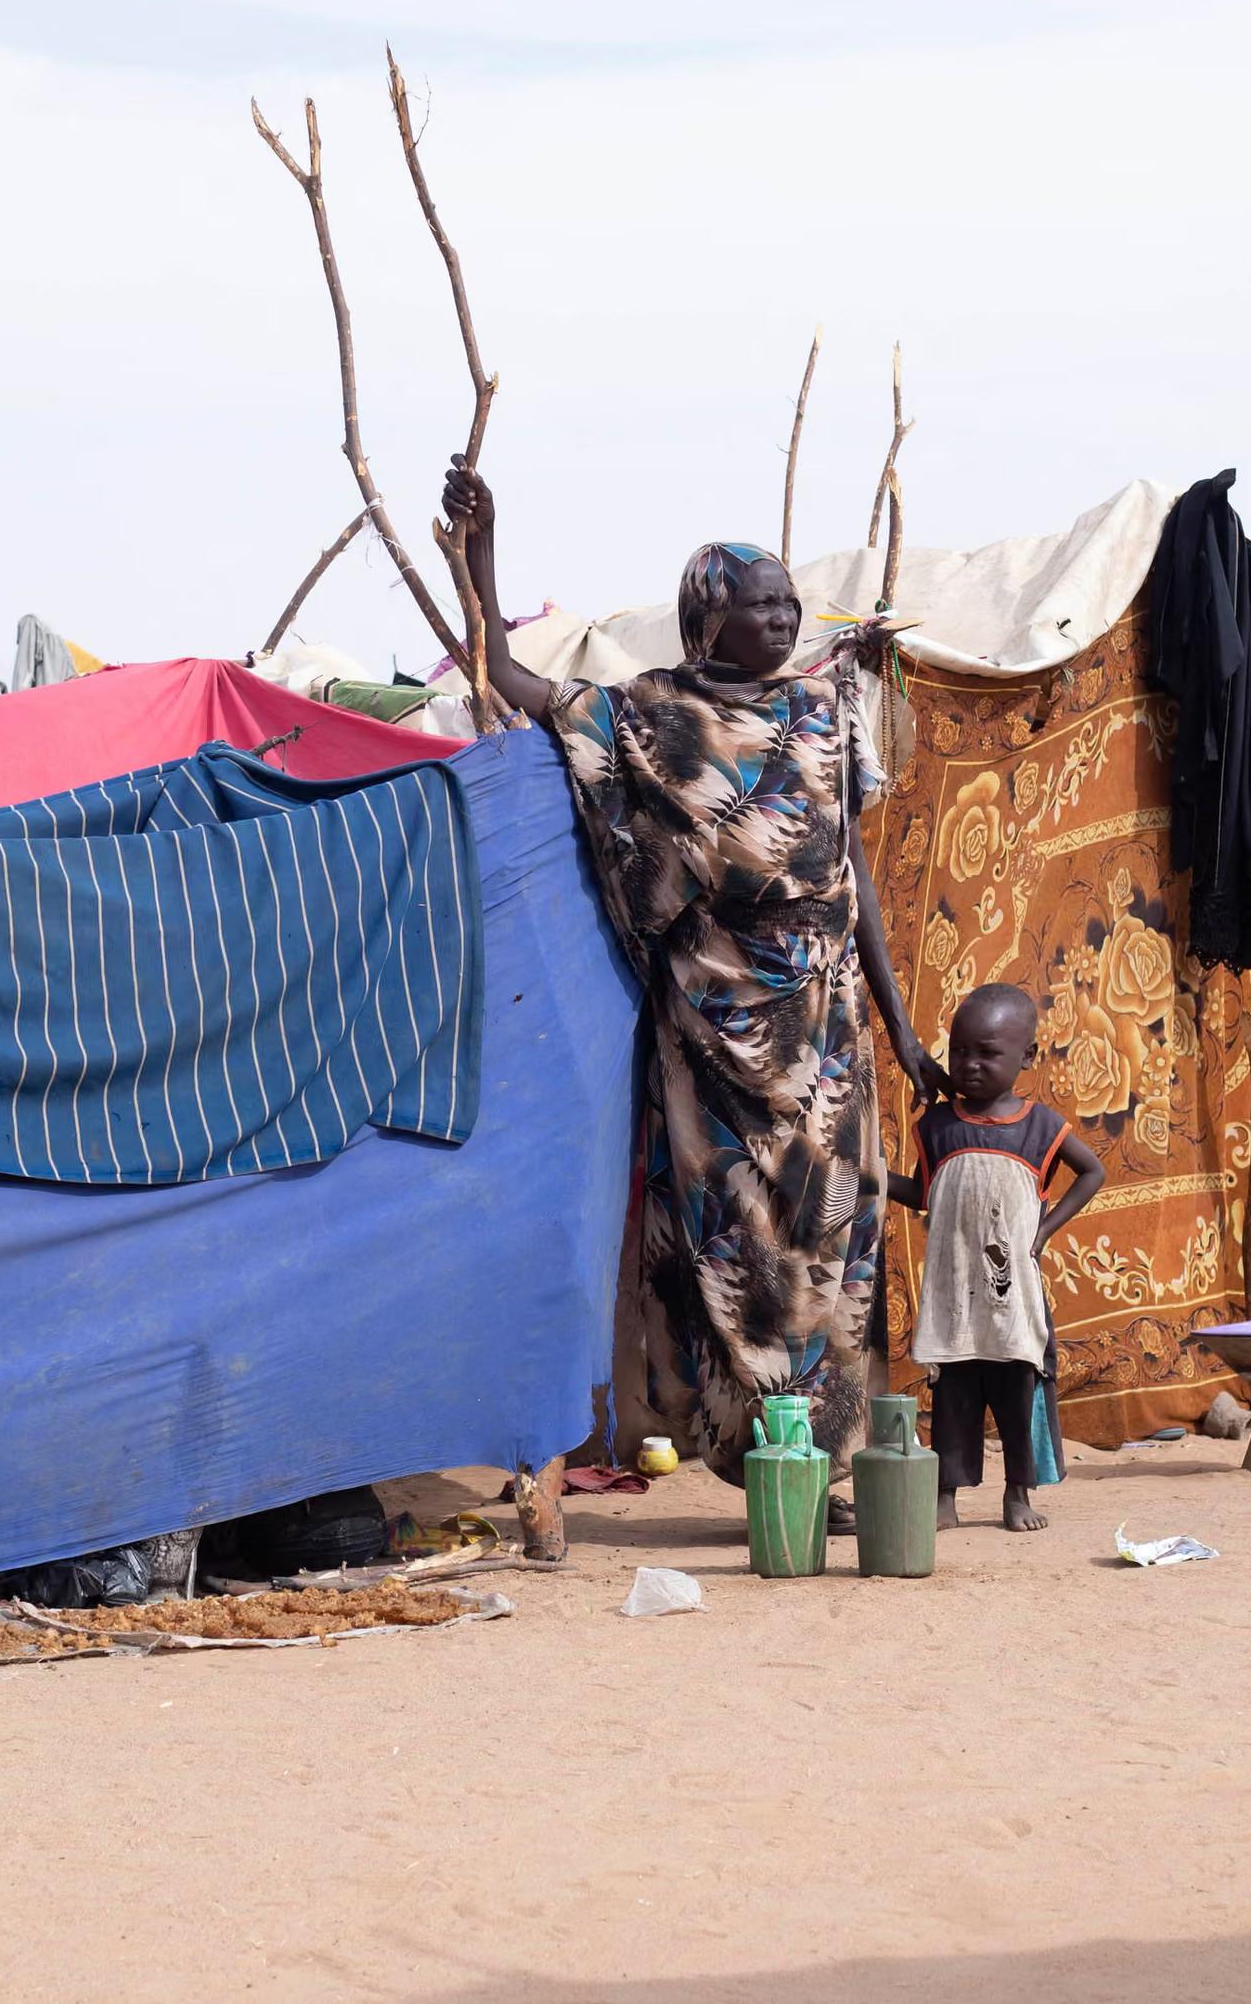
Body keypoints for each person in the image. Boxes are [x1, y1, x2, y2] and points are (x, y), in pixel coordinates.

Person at [443, 455, 946, 1490]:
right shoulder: (645, 716)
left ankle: (830, 1466)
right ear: (703, 619)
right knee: (738, 1243)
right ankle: (764, 1461)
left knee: (835, 1237)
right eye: (758, 606)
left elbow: (849, 872)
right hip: (713, 1023)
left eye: (787, 604)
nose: (781, 619)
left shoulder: (823, 712)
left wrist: (896, 1027)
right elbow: (502, 674)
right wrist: (480, 550)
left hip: (829, 1026)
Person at [886, 982, 1103, 1532]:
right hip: (956, 1294)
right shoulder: (936, 1128)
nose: (970, 1064)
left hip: (1011, 1299)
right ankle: (945, 1498)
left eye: (987, 1053)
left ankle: (1018, 1494)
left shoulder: (1041, 1128)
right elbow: (922, 1194)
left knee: (1016, 1399)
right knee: (953, 1400)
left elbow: (1093, 1171)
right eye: (959, 1051)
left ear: (1027, 1057)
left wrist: (1046, 1230)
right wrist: (874, 1175)